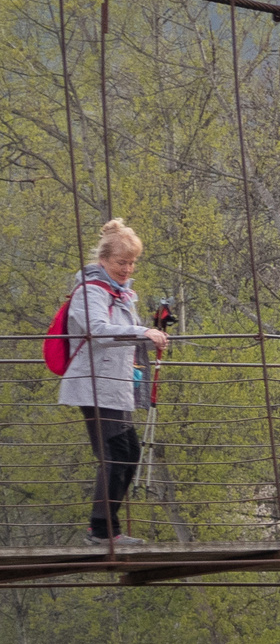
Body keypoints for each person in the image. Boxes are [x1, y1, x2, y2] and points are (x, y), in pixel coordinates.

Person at [55, 218, 169, 545]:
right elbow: (99, 331)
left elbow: (126, 336)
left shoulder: (121, 293)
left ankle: (106, 528)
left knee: (128, 451)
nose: (128, 269)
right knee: (115, 453)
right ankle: (102, 531)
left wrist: (153, 336)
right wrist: (142, 332)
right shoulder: (90, 291)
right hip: (93, 384)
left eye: (132, 262)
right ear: (103, 260)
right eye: (121, 262)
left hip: (114, 385)